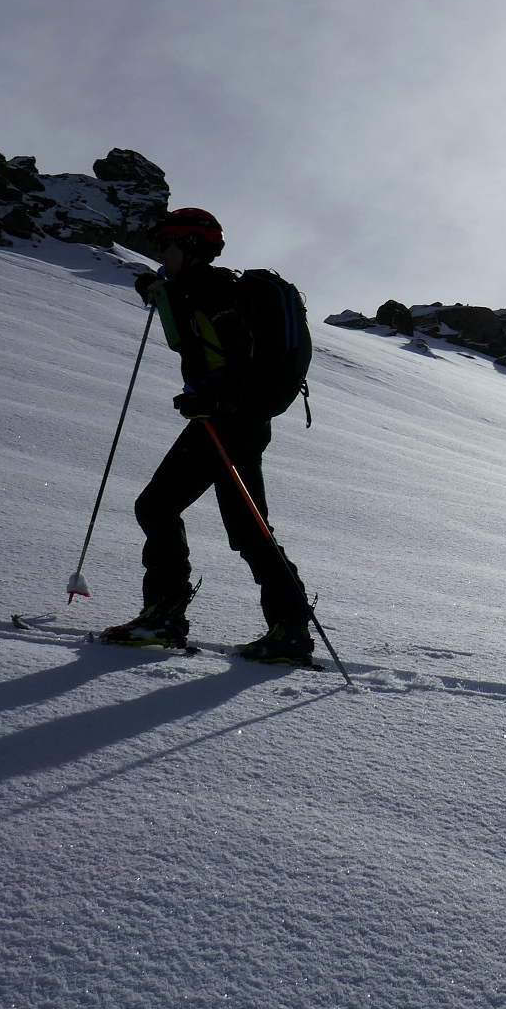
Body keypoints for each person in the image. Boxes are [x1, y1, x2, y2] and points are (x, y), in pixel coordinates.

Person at [100, 208, 315, 666]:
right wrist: (157, 292)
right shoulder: (196, 289)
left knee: (157, 506)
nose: (158, 252)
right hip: (242, 420)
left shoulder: (214, 289)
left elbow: (237, 348)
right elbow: (195, 336)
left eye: (166, 244)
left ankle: (164, 617)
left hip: (226, 420)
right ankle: (290, 629)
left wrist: (218, 402)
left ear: (193, 246)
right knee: (248, 528)